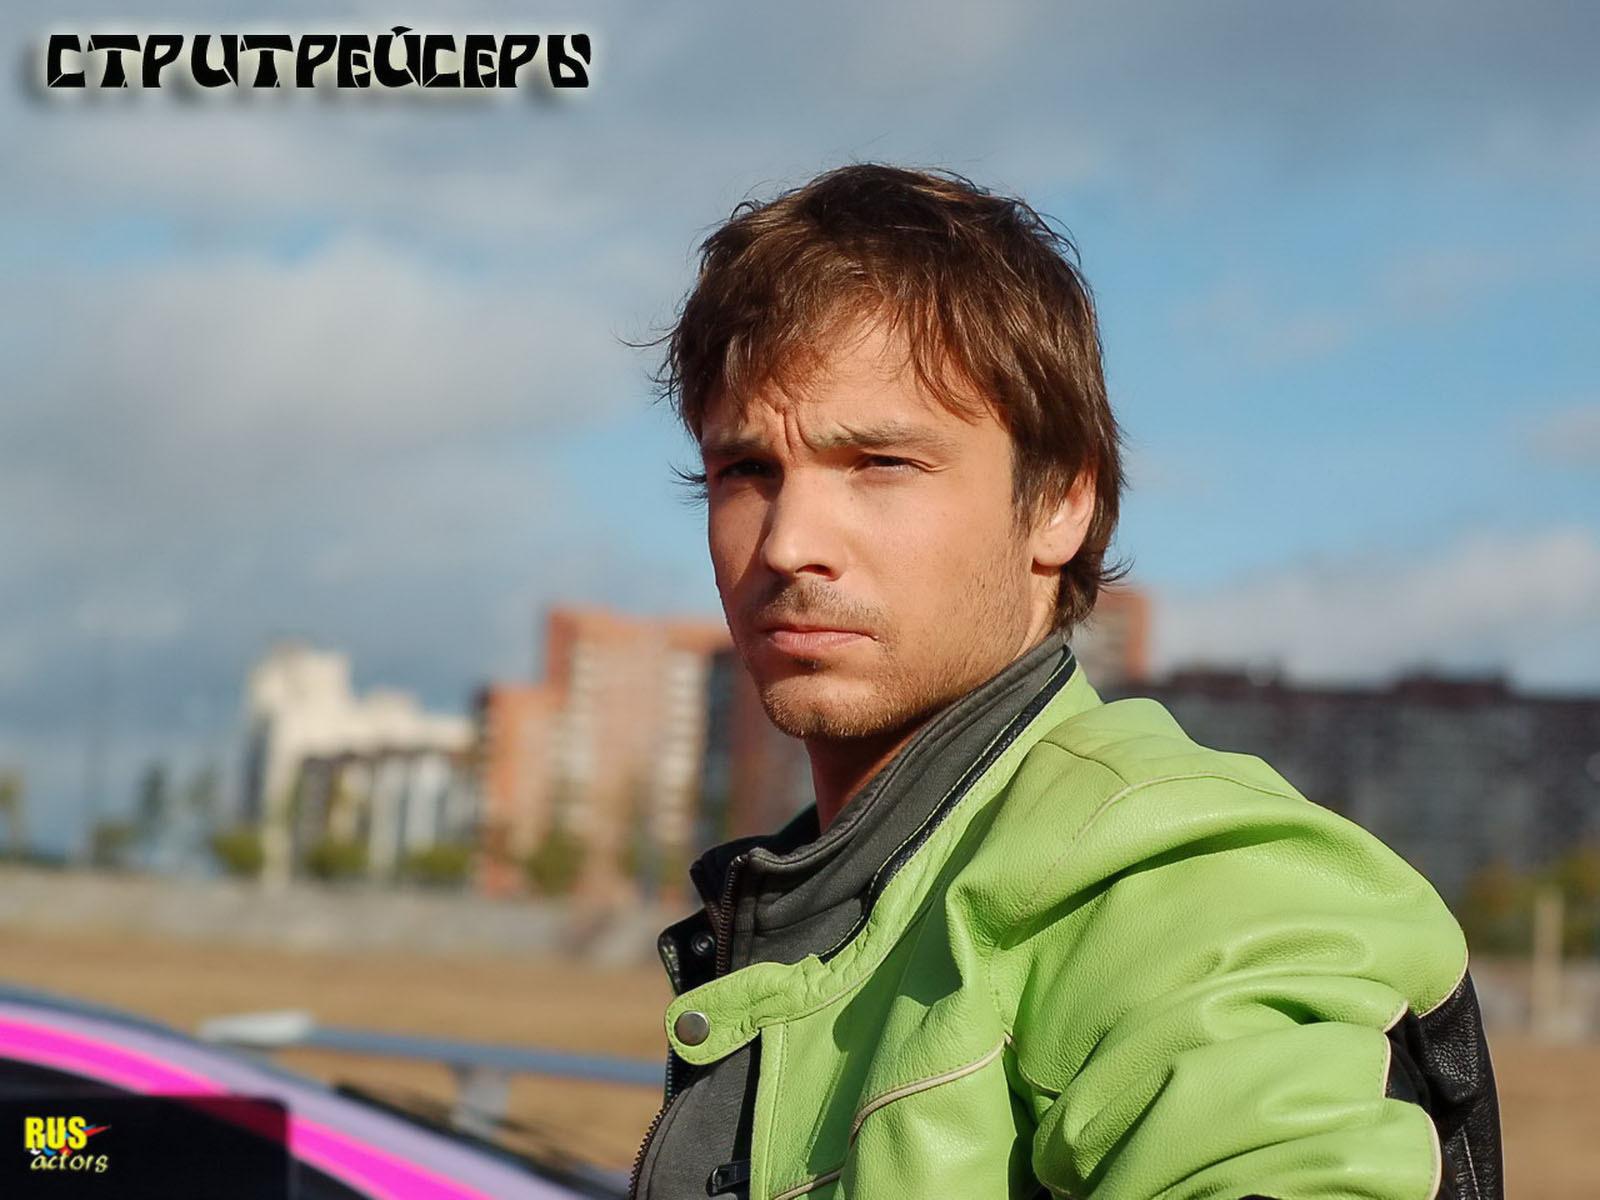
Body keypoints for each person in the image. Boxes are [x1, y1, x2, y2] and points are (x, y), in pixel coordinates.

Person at [628, 163, 1502, 1200]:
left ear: (1061, 505)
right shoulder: (839, 887)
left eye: (880, 463)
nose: (787, 544)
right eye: (746, 471)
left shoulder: (1164, 880)